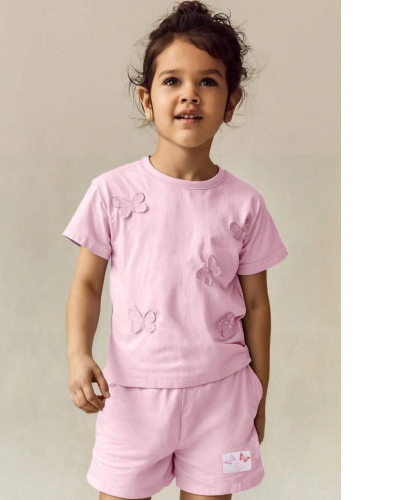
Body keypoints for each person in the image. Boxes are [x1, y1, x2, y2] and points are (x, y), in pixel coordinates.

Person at [62, 2, 288, 499]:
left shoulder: (245, 204)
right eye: (172, 81)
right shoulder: (111, 192)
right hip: (133, 399)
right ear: (147, 99)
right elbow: (87, 284)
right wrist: (78, 355)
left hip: (223, 398)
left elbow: (256, 305)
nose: (190, 94)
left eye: (208, 81)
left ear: (231, 101)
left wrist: (259, 397)